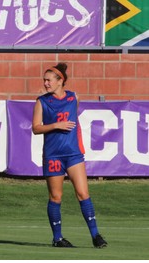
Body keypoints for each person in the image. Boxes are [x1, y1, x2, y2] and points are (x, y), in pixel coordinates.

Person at [32, 62, 107, 248]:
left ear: (60, 81)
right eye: (45, 80)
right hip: (53, 155)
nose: (46, 83)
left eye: (49, 80)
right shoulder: (41, 102)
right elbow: (35, 128)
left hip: (73, 154)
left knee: (83, 193)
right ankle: (57, 238)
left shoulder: (73, 98)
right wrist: (56, 126)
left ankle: (96, 236)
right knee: (55, 197)